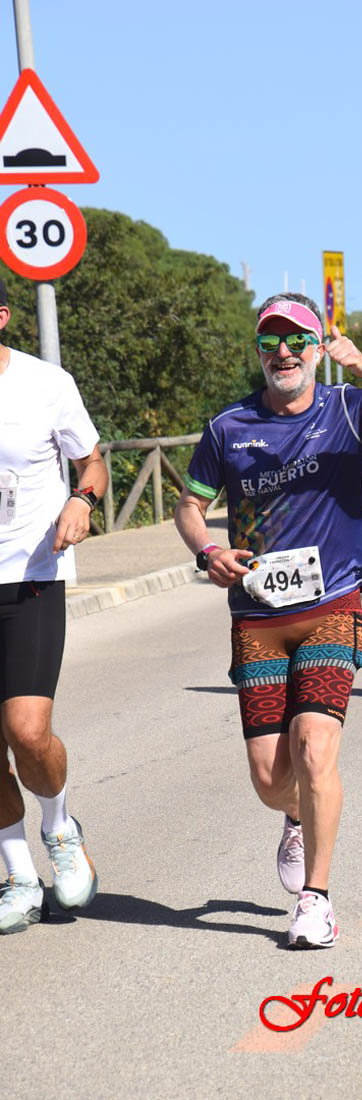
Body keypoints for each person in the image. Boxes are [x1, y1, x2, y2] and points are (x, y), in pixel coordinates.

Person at [174, 292, 362, 949]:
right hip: (258, 617)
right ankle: (293, 816)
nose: (284, 353)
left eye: (297, 340)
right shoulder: (229, 427)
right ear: (259, 352)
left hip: (332, 605)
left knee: (314, 748)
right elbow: (189, 505)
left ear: (318, 349)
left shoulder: (347, 408)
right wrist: (207, 551)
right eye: (271, 342)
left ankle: (316, 901)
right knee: (271, 779)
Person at [0, 276, 107, 935]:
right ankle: (18, 875)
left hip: (30, 574)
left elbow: (93, 463)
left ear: (2, 315)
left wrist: (82, 501)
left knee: (27, 731)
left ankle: (60, 827)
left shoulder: (45, 384)